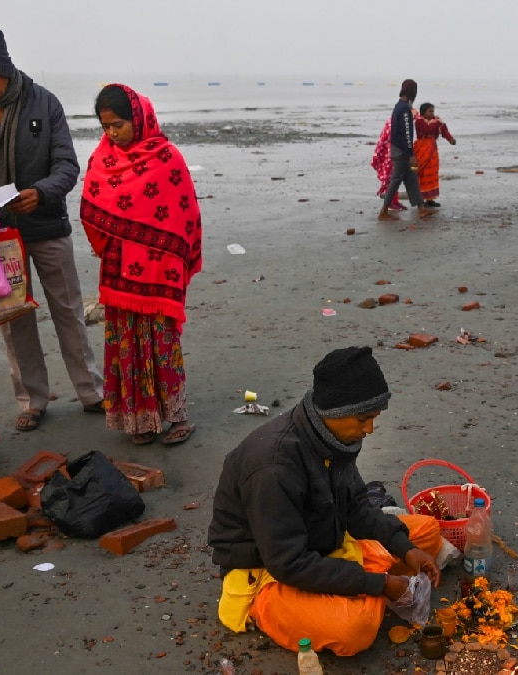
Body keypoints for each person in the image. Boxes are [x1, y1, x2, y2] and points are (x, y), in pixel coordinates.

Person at [208, 347, 444, 656]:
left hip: (325, 538)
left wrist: (405, 548)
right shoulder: (274, 466)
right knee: (353, 630)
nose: (369, 429)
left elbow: (357, 506)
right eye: (363, 419)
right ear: (334, 413)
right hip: (270, 569)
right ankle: (268, 610)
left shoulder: (333, 439)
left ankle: (367, 584)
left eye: (374, 418)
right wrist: (382, 584)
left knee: (426, 533)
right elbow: (289, 563)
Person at [0, 19, 104, 432]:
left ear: (7, 66)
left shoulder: (43, 102)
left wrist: (42, 193)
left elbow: (67, 165)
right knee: (14, 320)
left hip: (47, 225)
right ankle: (31, 400)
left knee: (69, 311)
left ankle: (92, 393)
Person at [80, 84, 202, 446]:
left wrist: (177, 259)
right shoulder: (102, 158)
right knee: (126, 342)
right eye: (105, 127)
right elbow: (90, 205)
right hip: (119, 267)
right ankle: (140, 420)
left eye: (118, 124)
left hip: (160, 270)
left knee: (162, 340)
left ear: (138, 118)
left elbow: (186, 214)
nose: (112, 133)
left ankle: (175, 415)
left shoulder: (167, 158)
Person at [378, 80, 437, 221]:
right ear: (412, 92)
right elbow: (406, 133)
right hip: (401, 152)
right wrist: (410, 154)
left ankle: (422, 209)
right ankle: (383, 211)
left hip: (398, 149)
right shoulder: (404, 109)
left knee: (411, 180)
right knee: (396, 180)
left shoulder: (398, 106)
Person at [413, 102, 456, 207]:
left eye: (433, 111)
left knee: (432, 173)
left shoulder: (436, 121)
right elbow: (428, 129)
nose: (432, 113)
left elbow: (444, 131)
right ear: (423, 113)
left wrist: (450, 139)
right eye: (430, 111)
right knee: (423, 173)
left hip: (432, 150)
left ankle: (430, 199)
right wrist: (438, 122)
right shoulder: (419, 122)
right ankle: (421, 200)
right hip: (421, 149)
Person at [370, 119, 406, 211]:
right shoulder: (394, 122)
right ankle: (390, 203)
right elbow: (386, 139)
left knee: (394, 178)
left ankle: (394, 201)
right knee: (391, 178)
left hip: (393, 152)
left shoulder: (397, 119)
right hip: (390, 152)